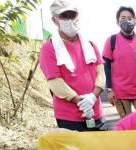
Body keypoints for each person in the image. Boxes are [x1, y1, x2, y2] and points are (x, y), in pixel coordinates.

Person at [39, 0, 105, 132]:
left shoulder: (90, 46)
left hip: (95, 112)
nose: (69, 19)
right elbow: (55, 83)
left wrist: (92, 98)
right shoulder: (49, 48)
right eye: (64, 16)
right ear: (54, 20)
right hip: (69, 117)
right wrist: (80, 101)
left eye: (72, 15)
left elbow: (100, 74)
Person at [103, 6, 136, 118]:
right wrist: (109, 90)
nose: (126, 20)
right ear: (117, 21)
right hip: (120, 92)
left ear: (135, 21)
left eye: (130, 18)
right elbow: (107, 66)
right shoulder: (111, 41)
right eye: (123, 18)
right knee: (127, 123)